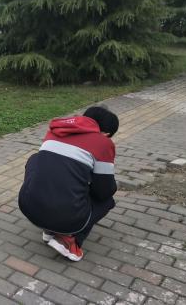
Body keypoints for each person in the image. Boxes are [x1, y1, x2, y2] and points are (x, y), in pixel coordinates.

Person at [18, 106, 119, 261]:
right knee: (106, 200)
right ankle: (69, 240)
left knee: (36, 160)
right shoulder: (103, 142)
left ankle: (50, 230)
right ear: (105, 133)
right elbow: (103, 191)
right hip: (65, 215)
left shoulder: (54, 132)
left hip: (28, 207)